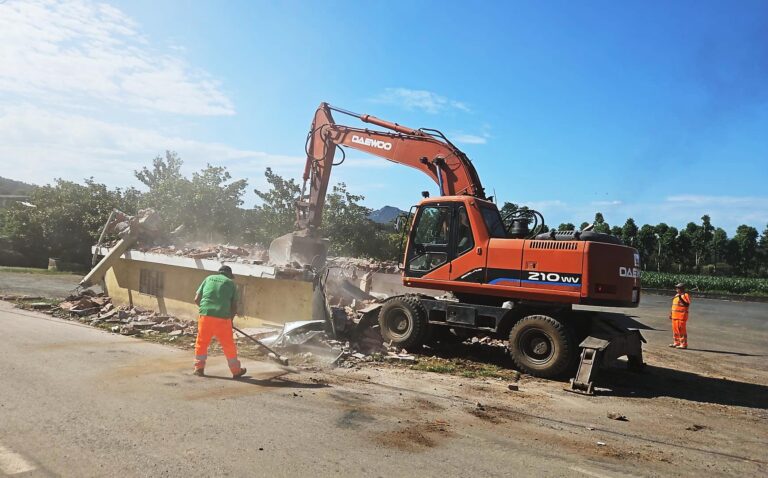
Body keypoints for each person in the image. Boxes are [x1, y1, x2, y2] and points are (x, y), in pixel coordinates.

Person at [193, 265, 246, 378]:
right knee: (228, 345)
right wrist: (230, 320)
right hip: (223, 318)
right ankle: (236, 371)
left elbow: (196, 299)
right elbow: (234, 306)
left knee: (201, 342)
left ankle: (199, 368)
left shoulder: (208, 278)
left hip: (205, 316)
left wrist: (205, 310)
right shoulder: (231, 284)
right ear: (229, 275)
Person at [669, 283, 691, 349]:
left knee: (681, 331)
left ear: (681, 289)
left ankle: (683, 344)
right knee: (675, 330)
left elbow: (686, 304)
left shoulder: (685, 295)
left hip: (681, 316)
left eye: (677, 288)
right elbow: (674, 306)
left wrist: (680, 298)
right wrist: (671, 314)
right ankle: (676, 342)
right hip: (675, 316)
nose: (676, 289)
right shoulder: (677, 295)